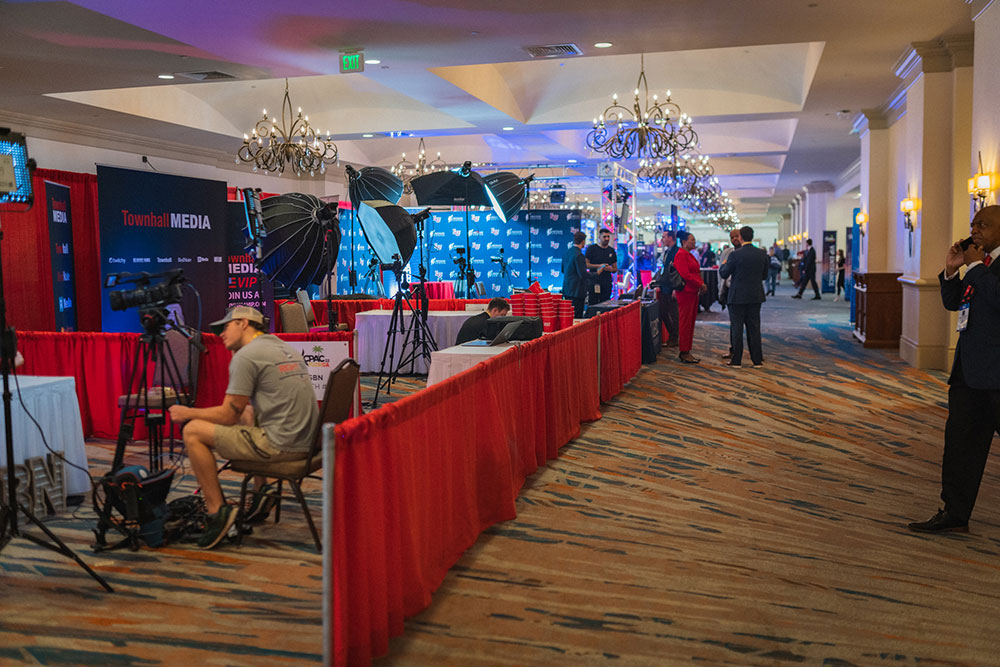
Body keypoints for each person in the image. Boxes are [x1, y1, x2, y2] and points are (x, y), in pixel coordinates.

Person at [168, 306, 319, 550]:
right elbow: (240, 411)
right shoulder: (281, 346)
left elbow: (228, 415)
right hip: (308, 442)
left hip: (283, 445)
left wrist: (187, 413)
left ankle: (217, 513)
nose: (221, 334)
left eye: (226, 327)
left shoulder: (247, 356)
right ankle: (262, 490)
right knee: (248, 412)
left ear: (244, 323)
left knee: (193, 430)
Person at [910, 205, 1000, 534]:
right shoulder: (980, 266)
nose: (974, 230)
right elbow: (956, 303)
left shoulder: (984, 267)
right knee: (961, 447)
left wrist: (974, 267)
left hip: (996, 376)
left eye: (983, 225)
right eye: (973, 224)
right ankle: (955, 513)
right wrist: (952, 271)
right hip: (968, 373)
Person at [718, 226, 769, 368]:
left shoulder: (735, 255)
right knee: (754, 328)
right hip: (755, 295)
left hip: (737, 296)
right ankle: (757, 360)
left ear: (740, 237)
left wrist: (723, 264)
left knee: (737, 328)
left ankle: (737, 361)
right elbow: (764, 276)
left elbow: (724, 273)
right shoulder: (762, 254)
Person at [674, 230, 706, 364]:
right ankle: (684, 351)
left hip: (692, 292)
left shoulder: (688, 254)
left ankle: (687, 350)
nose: (694, 242)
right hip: (685, 293)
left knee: (690, 322)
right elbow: (686, 275)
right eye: (691, 240)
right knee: (685, 322)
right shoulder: (681, 254)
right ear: (684, 242)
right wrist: (700, 284)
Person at [658, 230, 680, 348]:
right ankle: (673, 336)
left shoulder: (677, 252)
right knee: (663, 312)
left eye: (664, 237)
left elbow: (677, 271)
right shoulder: (667, 251)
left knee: (673, 314)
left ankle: (674, 337)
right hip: (665, 286)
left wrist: (675, 288)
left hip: (672, 287)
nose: (662, 239)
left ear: (670, 238)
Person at [585, 228, 618, 305]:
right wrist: (599, 266)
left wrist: (610, 269)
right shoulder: (591, 249)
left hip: (606, 282)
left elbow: (615, 268)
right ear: (599, 237)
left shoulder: (611, 251)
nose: (607, 239)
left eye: (608, 237)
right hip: (594, 281)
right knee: (593, 303)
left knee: (606, 303)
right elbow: (586, 265)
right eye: (604, 237)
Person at [562, 231, 590, 318]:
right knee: (577, 317)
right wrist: (596, 274)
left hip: (567, 290)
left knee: (569, 316)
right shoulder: (579, 255)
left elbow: (563, 270)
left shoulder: (566, 252)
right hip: (577, 291)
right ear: (583, 241)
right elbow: (583, 274)